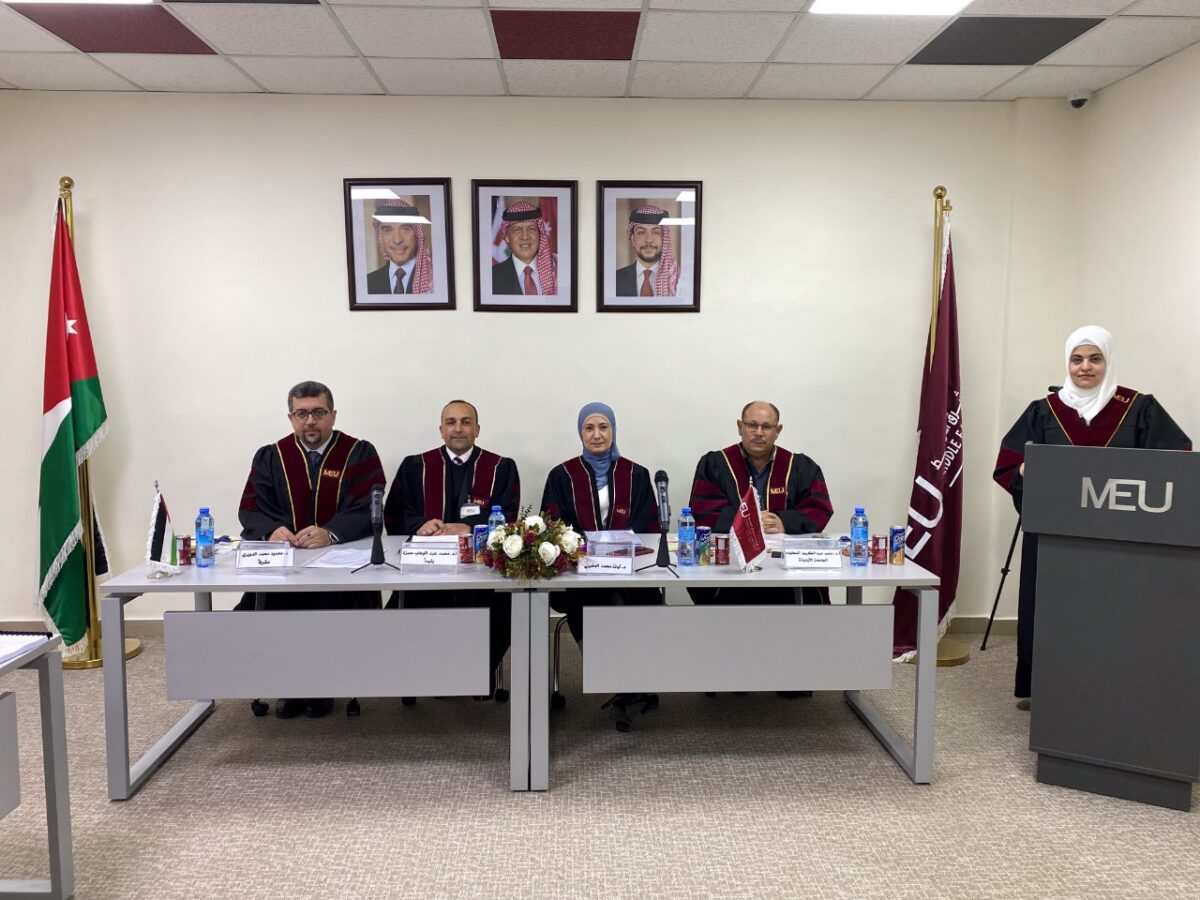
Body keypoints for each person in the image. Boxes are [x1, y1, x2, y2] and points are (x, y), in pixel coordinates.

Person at [994, 325, 1191, 708]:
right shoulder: (1043, 410)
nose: (1085, 367)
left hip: (1119, 539)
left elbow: (1175, 460)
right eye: (1077, 359)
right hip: (1053, 537)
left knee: (1113, 615)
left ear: (1108, 361)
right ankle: (1047, 690)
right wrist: (1024, 471)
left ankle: (1112, 692)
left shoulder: (1139, 408)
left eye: (1095, 359)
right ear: (1067, 363)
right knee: (1050, 612)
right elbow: (1007, 464)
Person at [236, 380, 387, 719]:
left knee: (330, 615)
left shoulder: (359, 453)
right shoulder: (271, 456)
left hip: (340, 566)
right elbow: (250, 506)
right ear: (290, 417)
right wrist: (272, 530)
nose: (310, 422)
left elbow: (370, 504)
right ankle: (289, 686)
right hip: (286, 564)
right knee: (278, 615)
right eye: (301, 414)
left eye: (318, 413)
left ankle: (323, 686)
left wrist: (330, 533)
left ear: (333, 414)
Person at [540, 403, 663, 730]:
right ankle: (622, 686)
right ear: (580, 432)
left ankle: (627, 684)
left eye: (603, 427)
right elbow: (551, 527)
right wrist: (585, 551)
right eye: (589, 428)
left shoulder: (636, 474)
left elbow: (648, 525)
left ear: (613, 430)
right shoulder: (562, 475)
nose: (597, 435)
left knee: (630, 598)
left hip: (629, 572)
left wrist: (619, 550)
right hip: (580, 576)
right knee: (595, 598)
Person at [384, 400, 519, 695]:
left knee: (506, 607)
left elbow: (509, 515)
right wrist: (420, 524)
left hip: (481, 572)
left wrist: (468, 526)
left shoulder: (501, 467)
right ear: (441, 430)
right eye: (451, 422)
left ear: (477, 429)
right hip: (428, 569)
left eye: (466, 422)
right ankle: (433, 675)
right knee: (408, 609)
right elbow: (394, 513)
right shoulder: (415, 467)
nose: (458, 429)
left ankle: (476, 674)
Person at [688, 401, 834, 607]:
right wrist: (748, 523)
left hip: (787, 569)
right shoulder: (715, 464)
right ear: (740, 426)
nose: (758, 432)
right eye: (752, 425)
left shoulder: (801, 466)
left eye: (766, 426)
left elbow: (819, 508)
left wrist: (784, 522)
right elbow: (702, 510)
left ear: (778, 430)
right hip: (731, 568)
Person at [366, 197, 433, 294]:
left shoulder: (434, 279)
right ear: (381, 237)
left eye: (405, 229)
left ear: (417, 234)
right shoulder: (368, 283)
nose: (397, 240)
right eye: (388, 230)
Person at [491, 201, 557, 296]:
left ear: (540, 234)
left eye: (531, 228)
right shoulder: (492, 277)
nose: (525, 237)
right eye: (517, 229)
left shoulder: (558, 270)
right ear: (507, 237)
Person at [615, 204, 680, 297]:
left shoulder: (678, 281)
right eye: (641, 232)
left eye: (656, 232)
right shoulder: (615, 279)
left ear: (664, 238)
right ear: (633, 239)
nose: (648, 239)